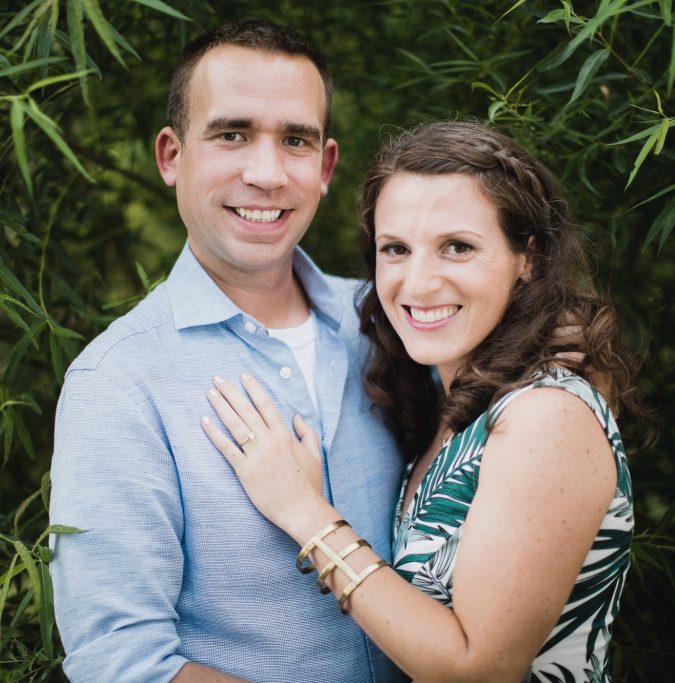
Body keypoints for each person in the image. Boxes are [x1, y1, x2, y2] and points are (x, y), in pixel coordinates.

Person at [202, 120, 643, 682]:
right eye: (396, 249)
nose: (418, 282)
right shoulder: (462, 402)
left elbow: (477, 669)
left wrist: (303, 512)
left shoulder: (544, 415)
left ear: (527, 257)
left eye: (457, 247)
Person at [48, 20, 406, 683]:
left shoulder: (393, 325)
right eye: (232, 134)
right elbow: (123, 664)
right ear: (171, 155)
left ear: (325, 167)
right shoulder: (118, 380)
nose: (266, 173)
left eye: (294, 140)